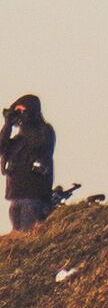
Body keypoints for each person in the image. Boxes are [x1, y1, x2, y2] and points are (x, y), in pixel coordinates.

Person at [3, 96, 55, 235]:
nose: (20, 115)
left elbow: (40, 146)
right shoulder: (17, 141)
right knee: (17, 239)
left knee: (29, 235)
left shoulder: (44, 131)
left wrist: (26, 120)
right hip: (15, 195)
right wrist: (8, 124)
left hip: (33, 196)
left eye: (22, 110)